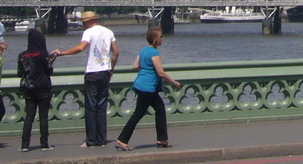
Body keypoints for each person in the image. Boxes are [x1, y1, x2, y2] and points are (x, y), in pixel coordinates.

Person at [52, 10, 119, 147]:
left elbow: (81, 48)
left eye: (83, 22)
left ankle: (91, 140)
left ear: (88, 21)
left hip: (92, 73)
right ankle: (101, 140)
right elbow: (116, 52)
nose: (83, 25)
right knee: (101, 107)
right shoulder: (108, 32)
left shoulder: (89, 32)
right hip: (105, 72)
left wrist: (62, 53)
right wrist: (111, 69)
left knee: (90, 107)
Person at [114, 27, 182, 150]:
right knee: (139, 114)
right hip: (148, 88)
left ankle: (162, 140)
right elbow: (161, 73)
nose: (162, 38)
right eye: (161, 36)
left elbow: (135, 66)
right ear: (156, 38)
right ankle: (122, 140)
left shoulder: (143, 50)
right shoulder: (154, 53)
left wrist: (145, 71)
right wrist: (174, 82)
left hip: (140, 85)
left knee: (160, 109)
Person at [17, 29, 55, 152]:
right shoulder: (43, 54)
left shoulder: (22, 55)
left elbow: (19, 73)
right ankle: (44, 143)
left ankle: (24, 145)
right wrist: (51, 62)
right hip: (43, 88)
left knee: (29, 116)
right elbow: (49, 71)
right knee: (43, 116)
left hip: (29, 89)